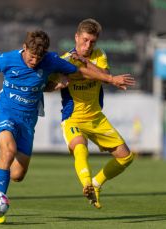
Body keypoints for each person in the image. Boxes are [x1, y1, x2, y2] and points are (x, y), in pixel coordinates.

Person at [0, 30, 134, 224]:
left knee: (16, 174)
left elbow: (80, 71)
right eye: (32, 57)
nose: (34, 62)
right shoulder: (7, 59)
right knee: (8, 151)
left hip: (27, 120)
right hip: (5, 112)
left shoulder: (50, 60)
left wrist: (110, 79)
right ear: (24, 48)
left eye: (38, 58)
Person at [56, 18, 135, 209]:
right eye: (84, 40)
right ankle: (87, 185)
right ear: (76, 37)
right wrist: (58, 82)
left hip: (96, 118)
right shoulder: (65, 60)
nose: (88, 45)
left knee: (126, 157)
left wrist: (86, 62)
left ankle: (97, 183)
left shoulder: (99, 54)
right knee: (80, 148)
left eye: (92, 41)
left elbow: (104, 73)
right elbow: (82, 73)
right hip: (73, 118)